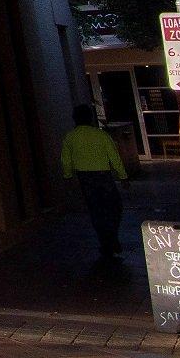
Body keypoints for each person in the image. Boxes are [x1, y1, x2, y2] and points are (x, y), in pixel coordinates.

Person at [60, 104, 129, 264]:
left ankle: (105, 241)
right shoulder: (101, 135)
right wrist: (123, 176)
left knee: (96, 210)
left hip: (85, 178)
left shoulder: (70, 137)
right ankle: (112, 237)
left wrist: (68, 176)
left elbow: (65, 159)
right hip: (103, 176)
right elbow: (114, 156)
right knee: (114, 208)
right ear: (90, 118)